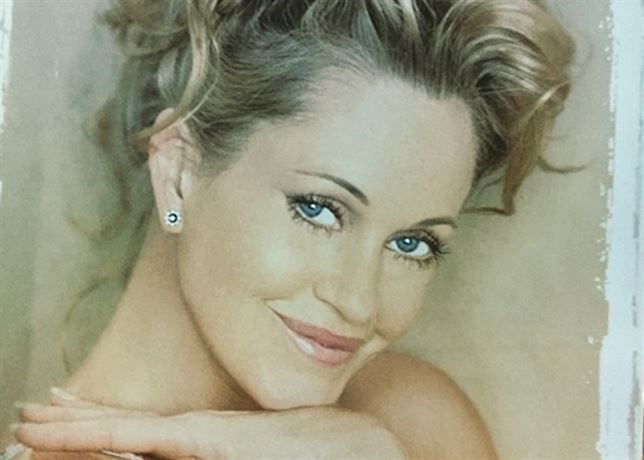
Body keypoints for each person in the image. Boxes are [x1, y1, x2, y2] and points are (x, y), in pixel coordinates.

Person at [3, 0, 574, 458]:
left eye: (412, 244)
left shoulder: (412, 420)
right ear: (178, 174)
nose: (358, 302)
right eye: (320, 210)